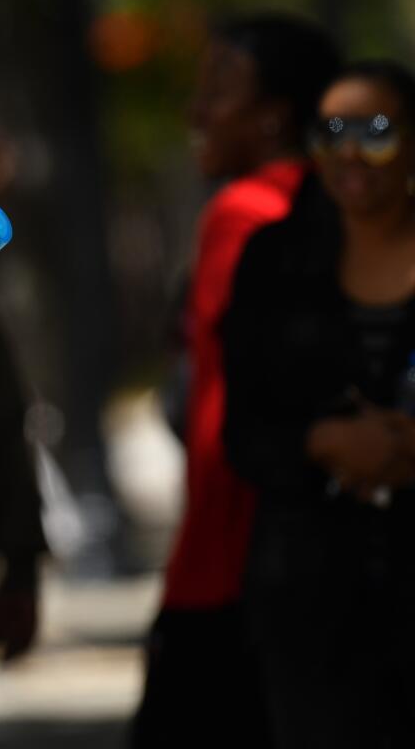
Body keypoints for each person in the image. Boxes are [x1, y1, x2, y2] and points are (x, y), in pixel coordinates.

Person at [131, 15, 341, 749]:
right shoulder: (343, 214)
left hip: (229, 568)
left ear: (275, 116)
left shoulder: (244, 212)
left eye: (218, 89)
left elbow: (219, 415)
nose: (196, 110)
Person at [222, 60, 415, 749]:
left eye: (377, 130)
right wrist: (325, 442)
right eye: (332, 131)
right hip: (310, 595)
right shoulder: (275, 260)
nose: (351, 152)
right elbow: (240, 430)